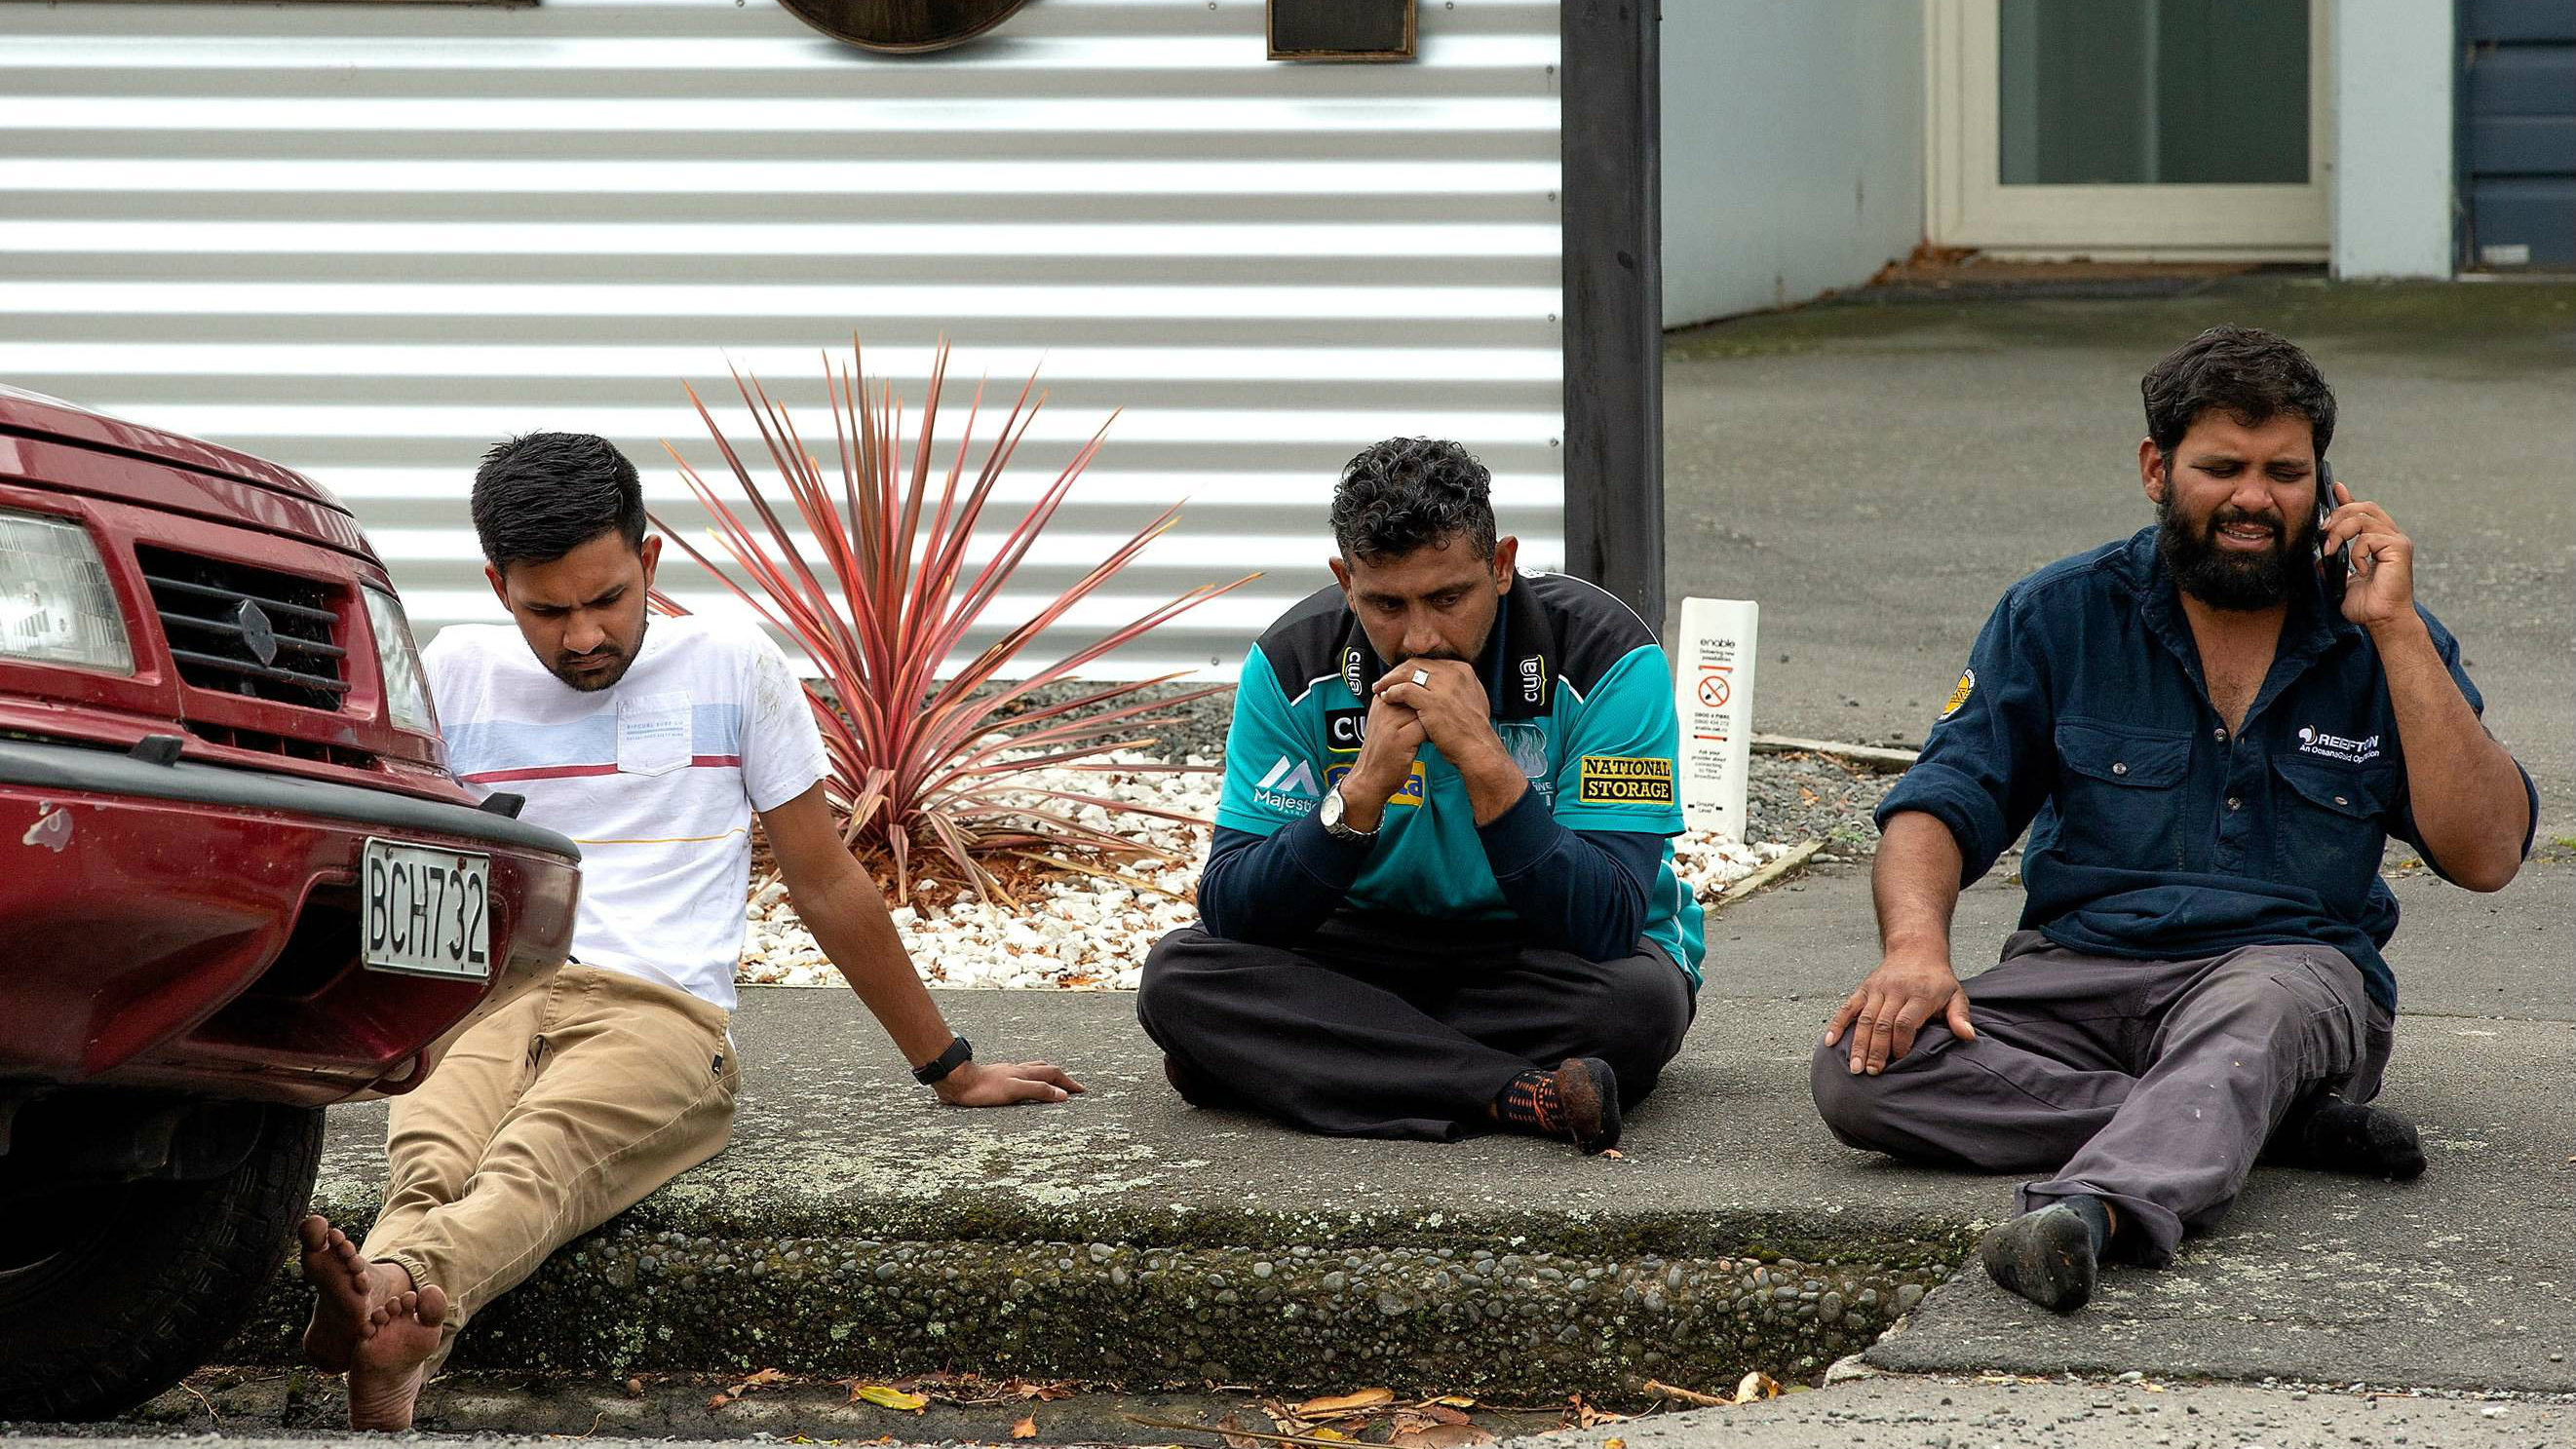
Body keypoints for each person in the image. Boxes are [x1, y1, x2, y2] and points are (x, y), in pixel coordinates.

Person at [297, 433, 1084, 1429]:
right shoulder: (453, 667)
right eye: (548, 609)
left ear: (650, 562)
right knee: (434, 1151)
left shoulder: (733, 664)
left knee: (538, 1154)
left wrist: (951, 1065)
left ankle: (397, 1282)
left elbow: (824, 875)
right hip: (487, 995)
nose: (583, 635)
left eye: (607, 598)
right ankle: (396, 1327)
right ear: (497, 583)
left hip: (658, 1014)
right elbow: (393, 859)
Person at [1810, 327, 2537, 1312]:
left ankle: (2098, 1208)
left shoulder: (2379, 630)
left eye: (2285, 471)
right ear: (2157, 467)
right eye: (2221, 467)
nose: (2253, 496)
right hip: (2079, 973)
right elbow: (1941, 801)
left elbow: (2488, 851)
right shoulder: (2058, 613)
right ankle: (2259, 1124)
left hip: (2289, 975)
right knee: (1860, 1068)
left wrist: (2399, 632)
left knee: (2256, 1011)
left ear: (2325, 486)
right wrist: (1914, 948)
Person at [1137, 437, 1705, 1153]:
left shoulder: (1607, 657)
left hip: (1537, 957)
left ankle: (1303, 1060)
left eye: (1447, 597)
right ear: (1345, 581)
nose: (1418, 636)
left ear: (1500, 566)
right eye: (1384, 604)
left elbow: (1607, 919)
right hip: (1365, 947)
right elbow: (1233, 908)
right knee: (1176, 978)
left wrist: (1487, 764)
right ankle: (1515, 1094)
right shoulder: (1291, 662)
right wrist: (1360, 791)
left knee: (1638, 1007)